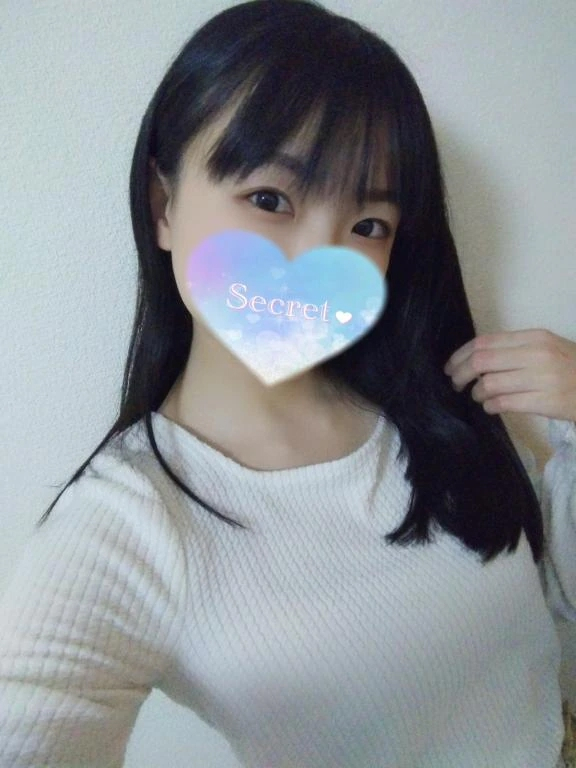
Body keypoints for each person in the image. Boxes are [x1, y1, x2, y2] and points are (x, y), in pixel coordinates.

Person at [1, 1, 575, 766]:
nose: (316, 260)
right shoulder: (128, 526)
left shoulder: (432, 400)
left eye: (368, 225)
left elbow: (558, 600)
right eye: (270, 199)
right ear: (164, 206)